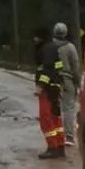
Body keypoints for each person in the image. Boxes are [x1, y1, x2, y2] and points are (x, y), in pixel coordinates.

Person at [33, 26, 66, 159]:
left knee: (46, 119)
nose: (34, 40)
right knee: (55, 117)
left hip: (47, 89)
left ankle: (52, 147)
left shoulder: (45, 50)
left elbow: (47, 70)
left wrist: (41, 85)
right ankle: (60, 146)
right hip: (55, 88)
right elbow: (58, 67)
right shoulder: (53, 48)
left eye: (35, 37)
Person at [52, 22, 81, 146]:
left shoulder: (50, 46)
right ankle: (69, 136)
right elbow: (75, 66)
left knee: (54, 109)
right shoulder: (70, 47)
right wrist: (78, 81)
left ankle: (55, 136)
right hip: (67, 80)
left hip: (52, 81)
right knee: (69, 109)